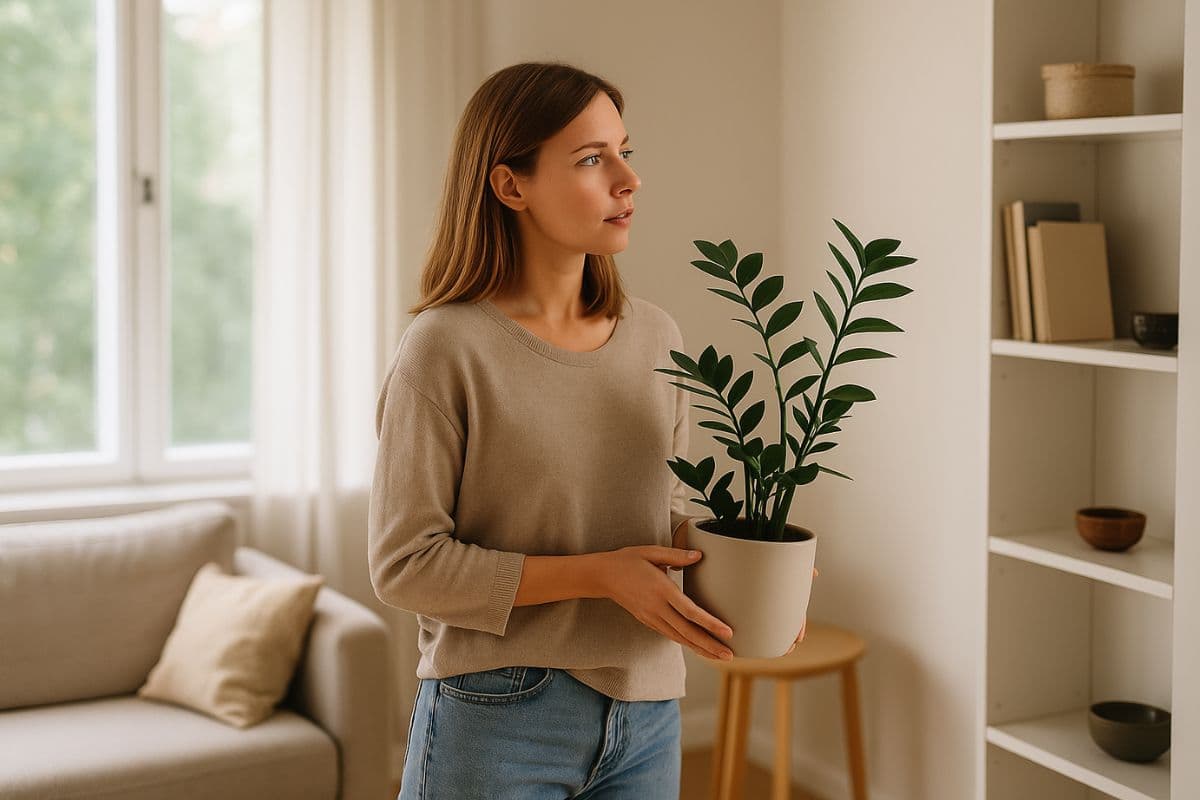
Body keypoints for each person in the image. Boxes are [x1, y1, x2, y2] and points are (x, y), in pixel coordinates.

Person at [368, 61, 810, 800]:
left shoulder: (658, 339)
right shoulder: (445, 349)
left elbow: (660, 516)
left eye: (624, 152)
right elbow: (405, 565)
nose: (627, 180)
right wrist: (599, 575)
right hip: (497, 716)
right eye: (590, 159)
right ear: (511, 186)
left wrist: (753, 574)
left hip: (647, 711)